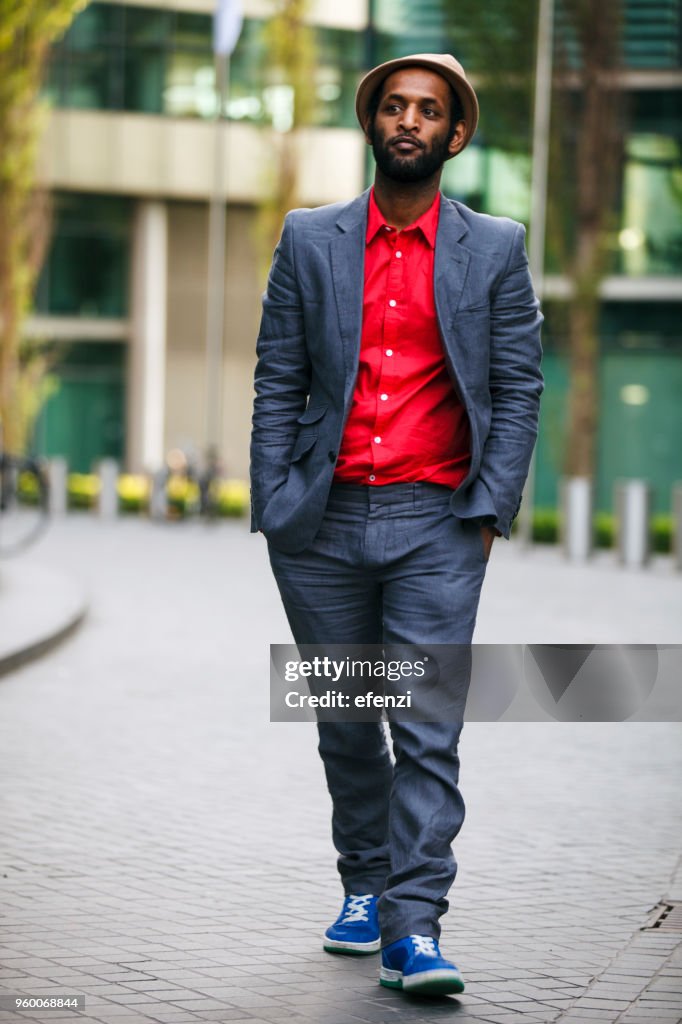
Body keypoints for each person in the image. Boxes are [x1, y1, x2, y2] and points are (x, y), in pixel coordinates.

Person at [250, 53, 543, 996]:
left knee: (425, 725)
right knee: (345, 717)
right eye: (394, 106)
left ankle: (415, 929)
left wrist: (487, 513)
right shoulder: (308, 239)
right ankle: (364, 887)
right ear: (373, 123)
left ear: (455, 135)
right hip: (322, 525)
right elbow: (278, 377)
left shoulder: (495, 247)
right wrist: (273, 497)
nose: (409, 120)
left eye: (429, 110)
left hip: (436, 524)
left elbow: (519, 384)